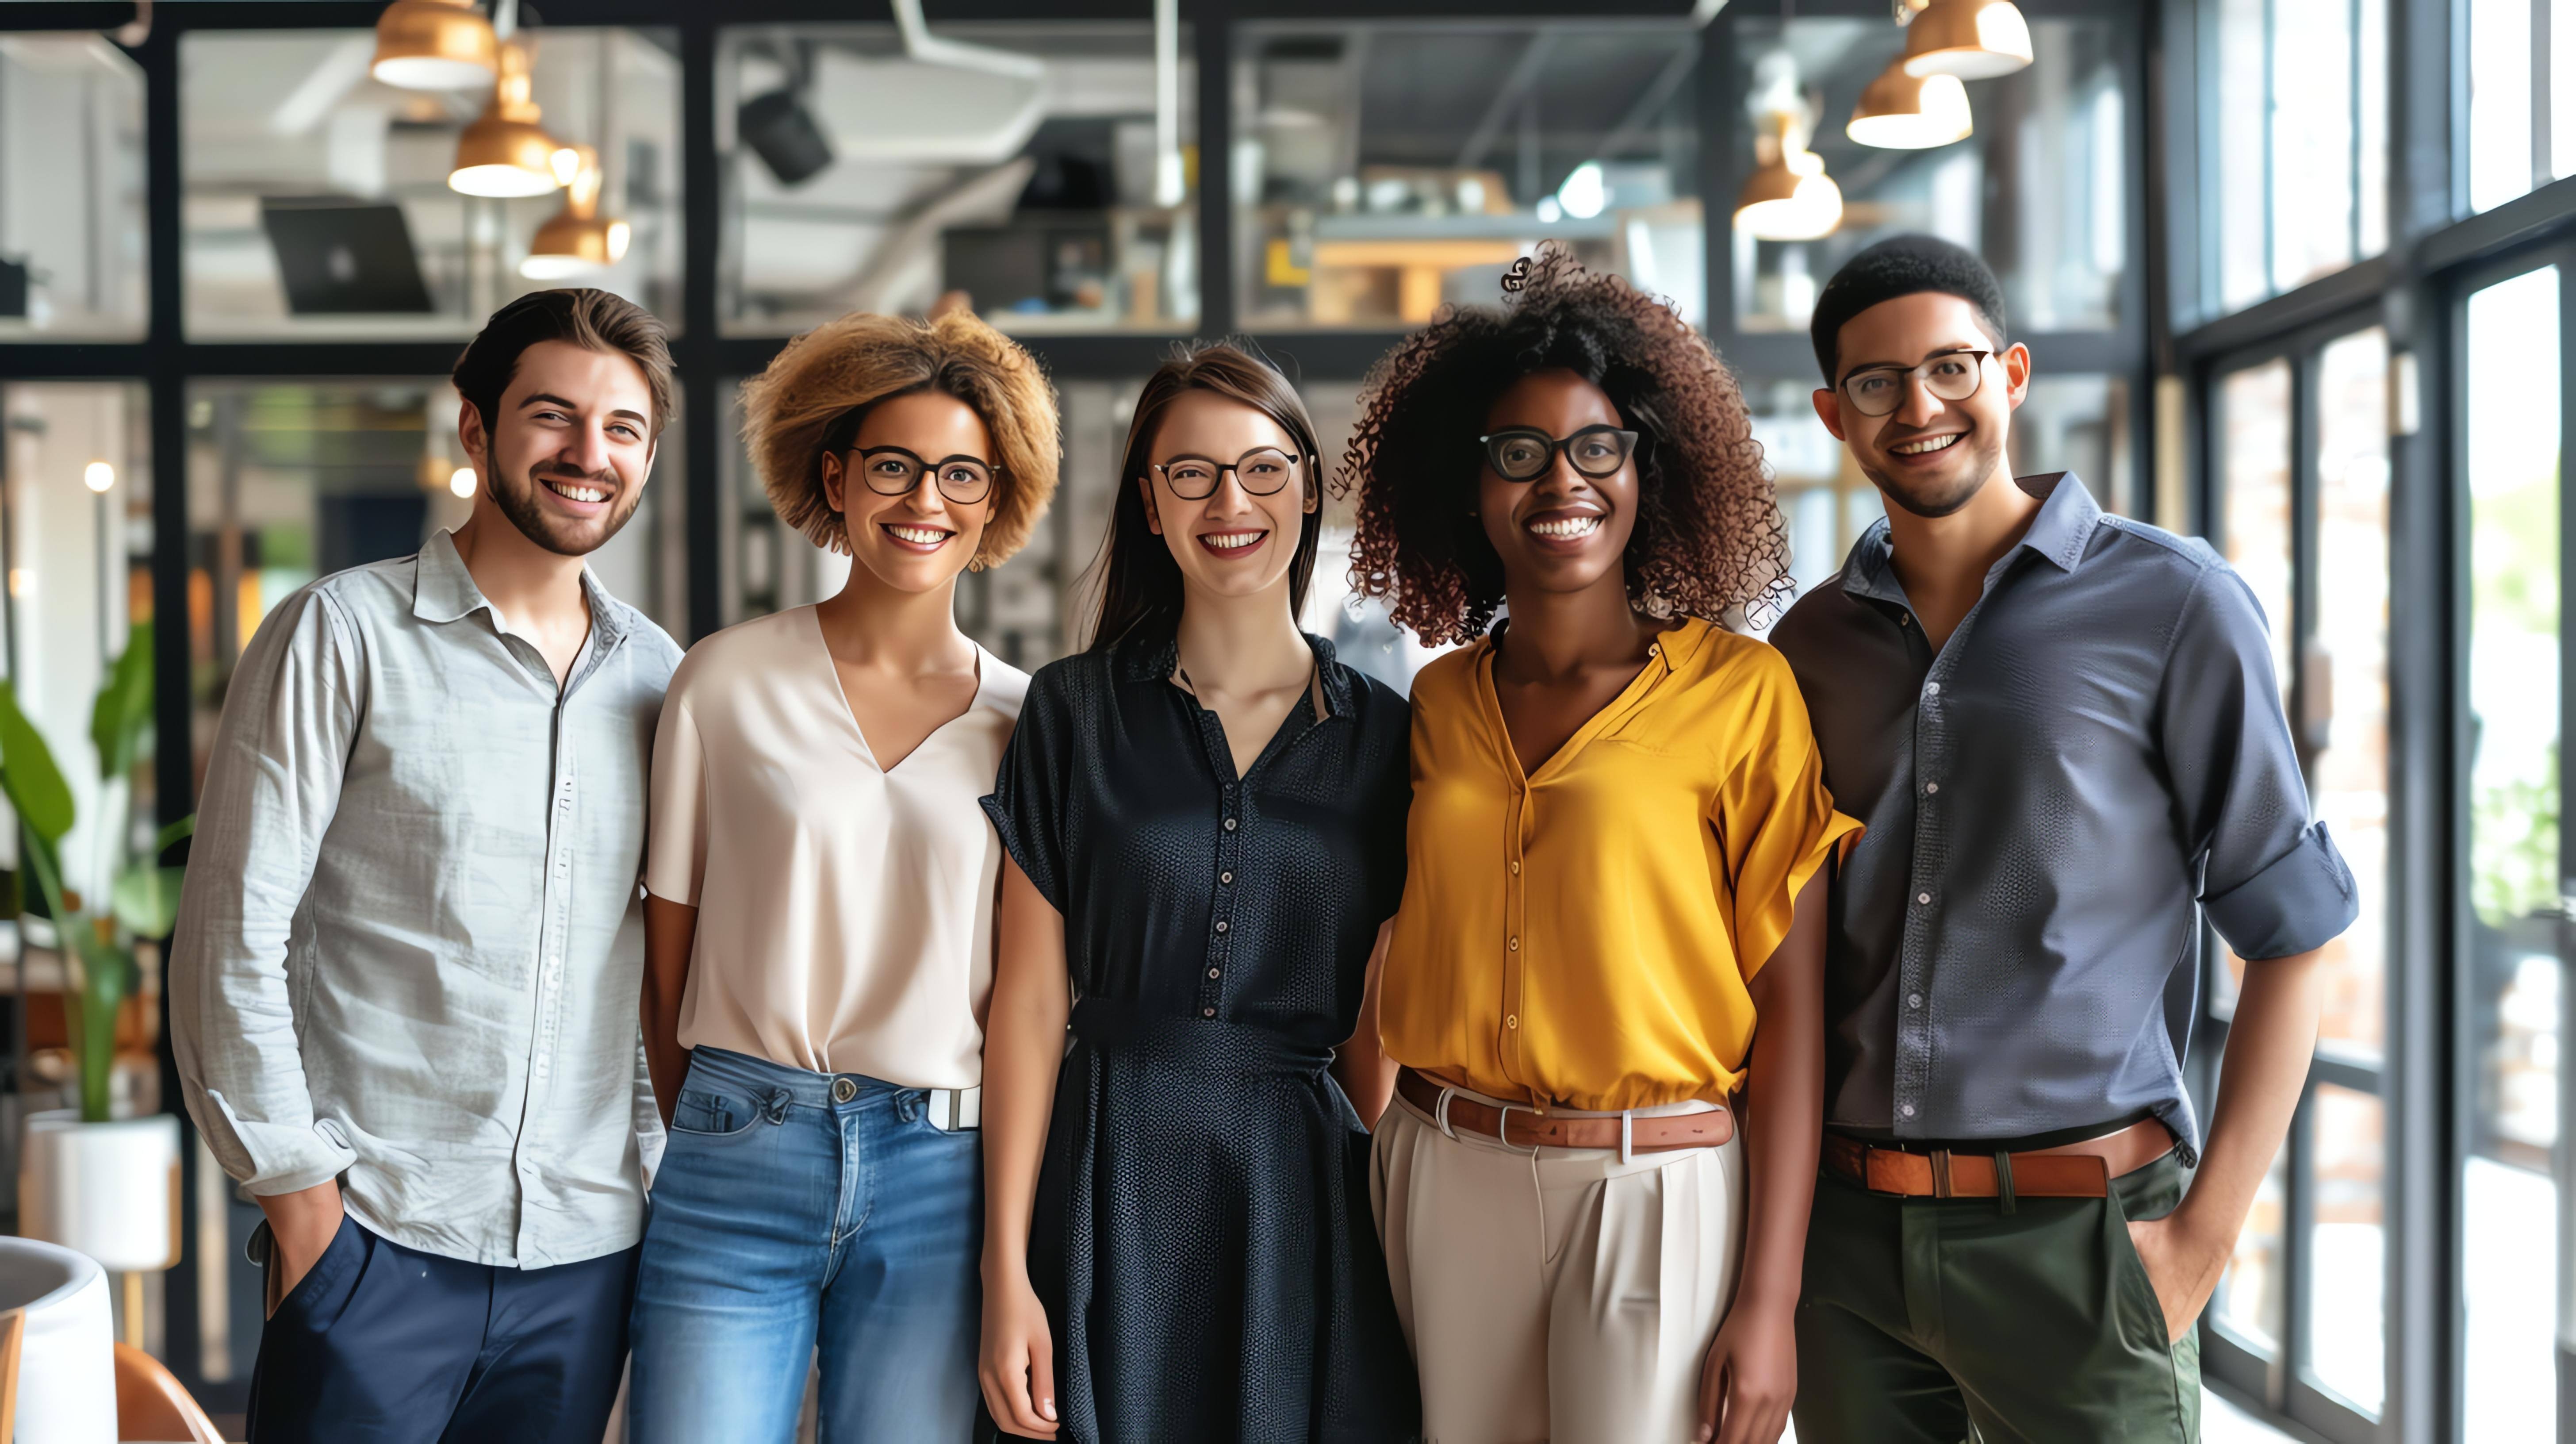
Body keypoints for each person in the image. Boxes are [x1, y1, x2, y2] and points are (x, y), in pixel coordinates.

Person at [1771, 234, 2356, 1444]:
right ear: (1836, 412)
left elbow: (2295, 940)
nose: (1919, 406)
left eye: (1952, 367)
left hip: (2082, 1241)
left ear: (2014, 373)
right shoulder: (1809, 646)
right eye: (1878, 382)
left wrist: (2203, 1240)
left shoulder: (2175, 603)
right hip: (1847, 1250)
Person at [1345, 246, 1859, 1444]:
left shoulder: (1743, 694)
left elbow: (1794, 1014)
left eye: (1596, 448)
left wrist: (1771, 1298)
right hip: (1443, 1169)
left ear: (1648, 471)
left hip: (1656, 1188)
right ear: (1468, 486)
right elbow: (1376, 945)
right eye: (1517, 454)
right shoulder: (1436, 704)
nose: (1558, 482)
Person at [169, 288, 682, 1444]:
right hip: (376, 1243)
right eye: (552, 416)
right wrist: (301, 1203)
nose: (586, 455)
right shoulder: (340, 633)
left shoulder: (663, 679)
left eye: (622, 429)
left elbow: (649, 964)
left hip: (586, 1255)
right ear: (475, 428)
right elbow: (228, 939)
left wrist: (650, 1179)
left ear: (647, 455)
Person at [625, 309, 1058, 1442]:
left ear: (995, 497)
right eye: (894, 468)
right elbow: (665, 956)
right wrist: (727, 1130)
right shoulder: (722, 683)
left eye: (960, 472)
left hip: (942, 1177)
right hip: (736, 1152)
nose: (925, 501)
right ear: (835, 477)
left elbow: (1028, 999)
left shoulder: (1029, 724)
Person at [977, 342, 1420, 1444]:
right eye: (1191, 474)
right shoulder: (1071, 713)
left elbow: (1379, 1030)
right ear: (1148, 503)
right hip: (1103, 1165)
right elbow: (1028, 1009)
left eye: (1262, 469)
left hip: (1299, 1189)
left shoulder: (1388, 736)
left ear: (1309, 489)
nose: (1231, 502)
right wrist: (1004, 1271)